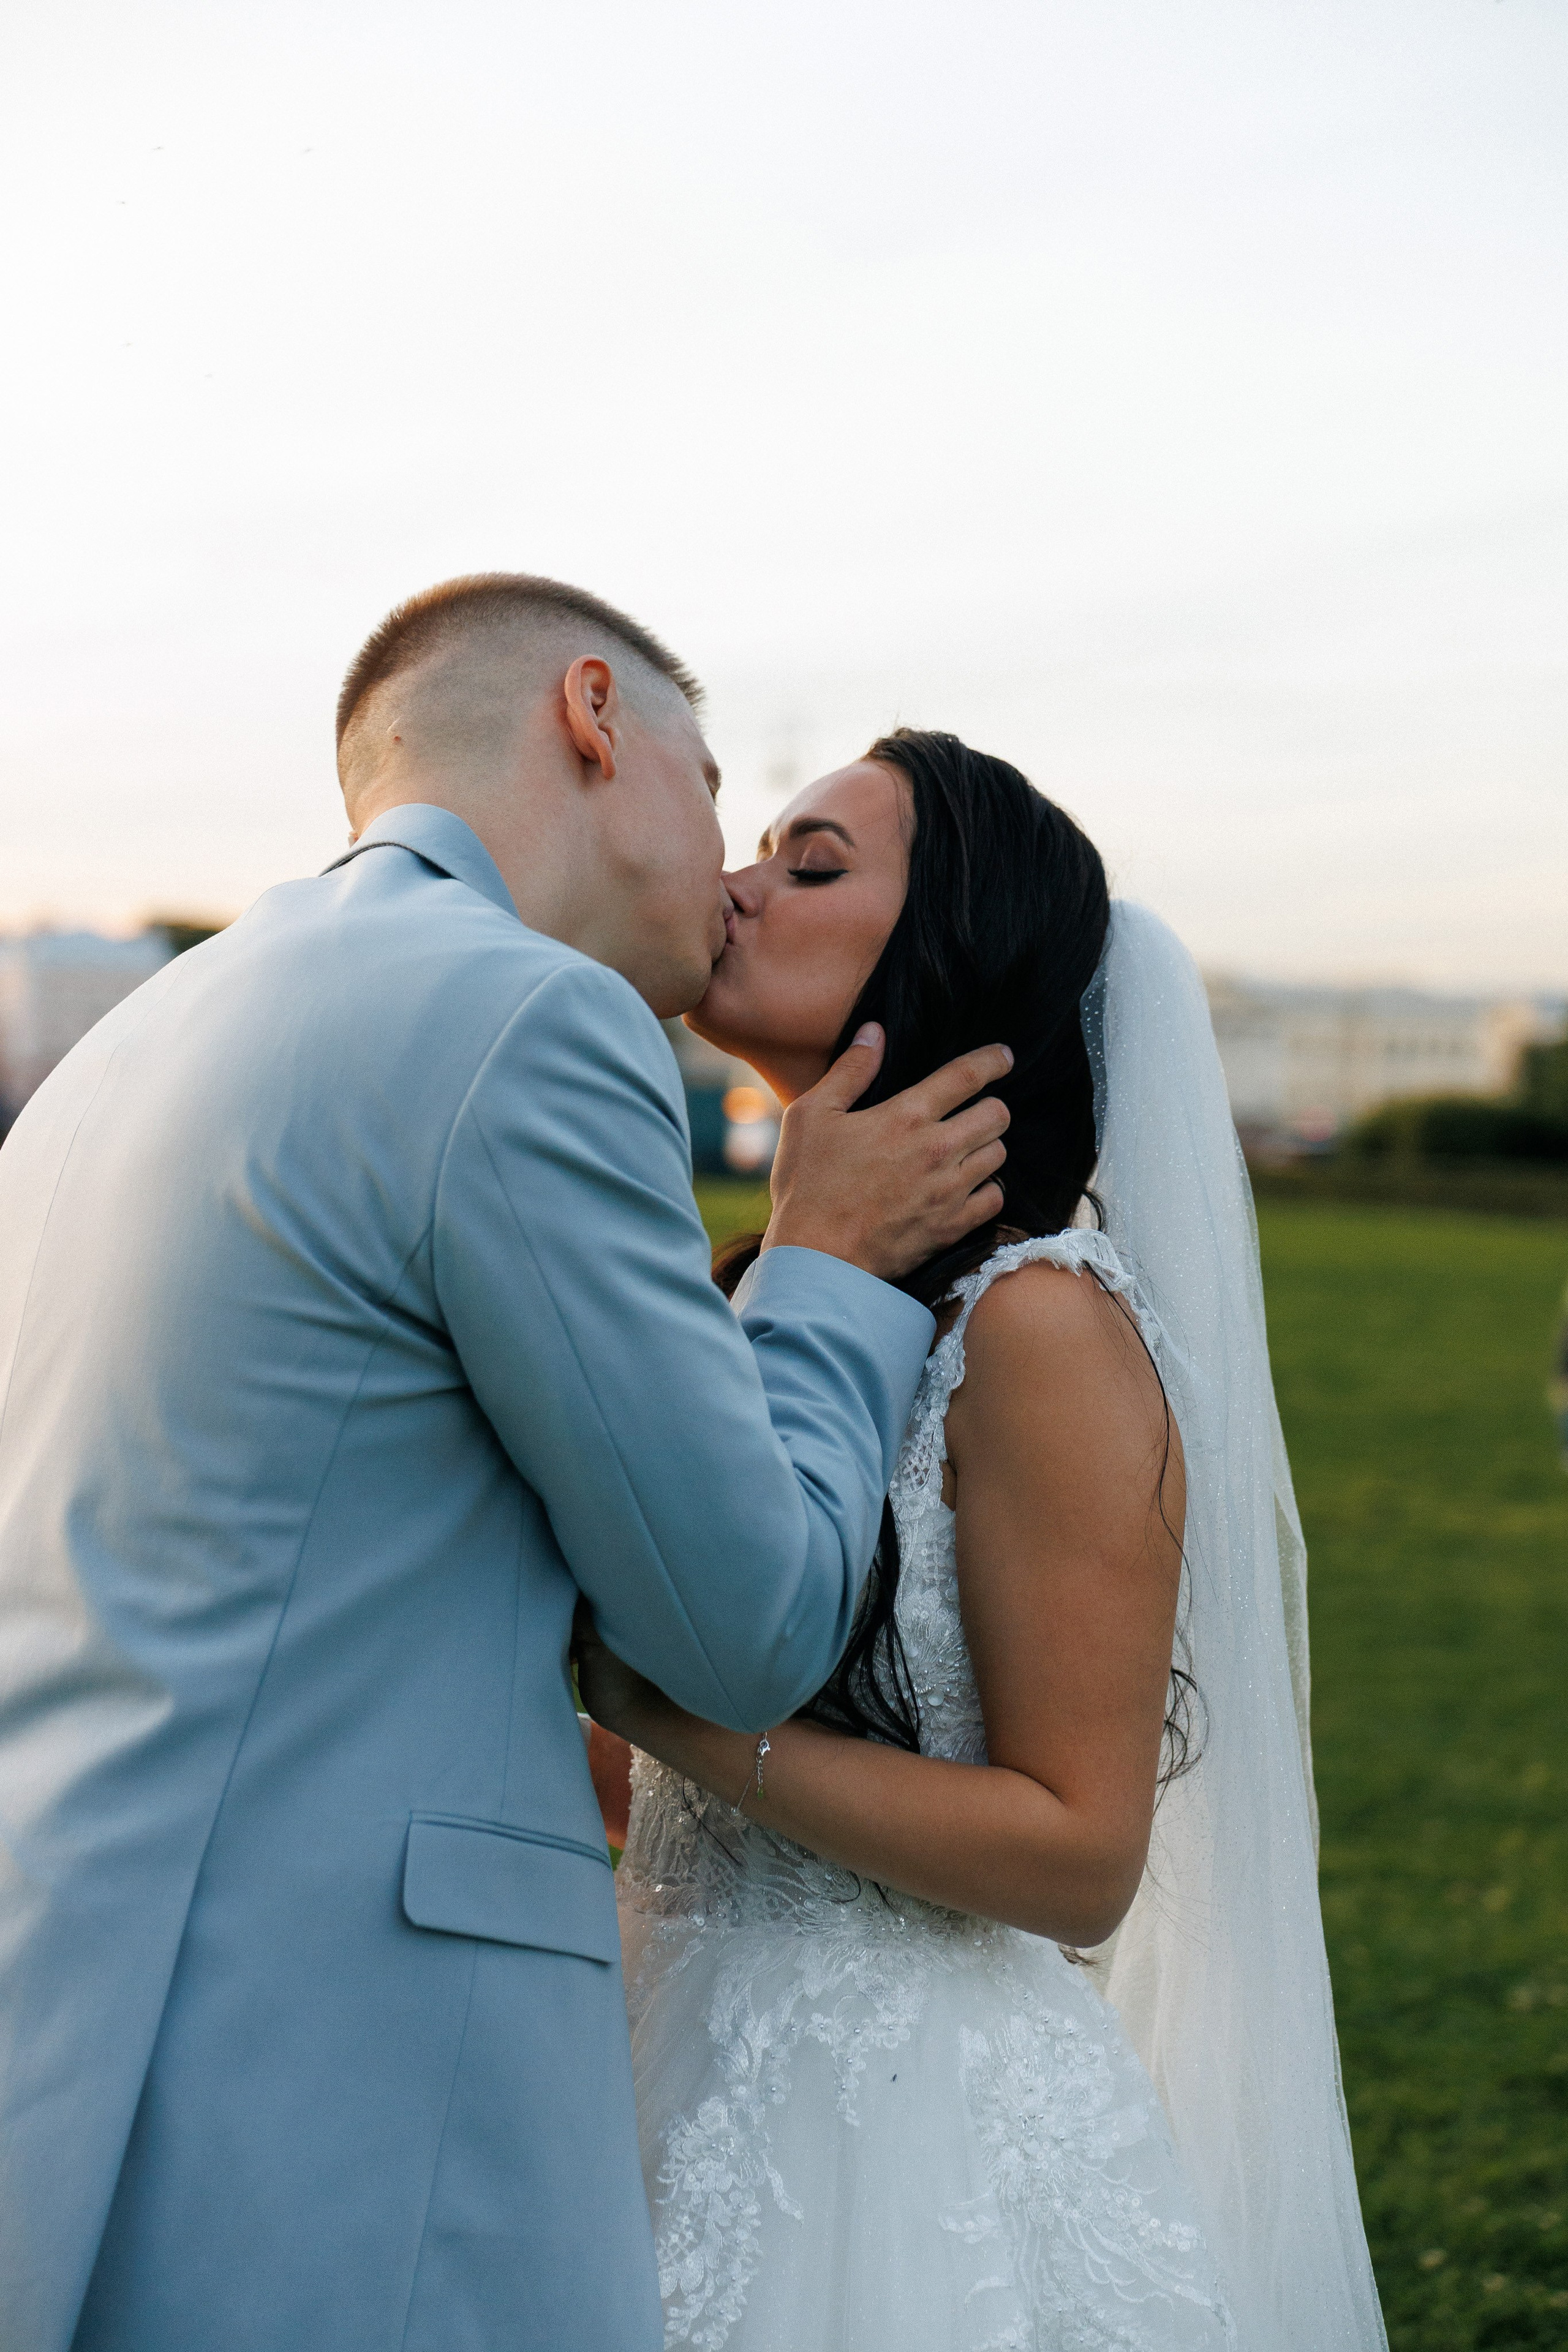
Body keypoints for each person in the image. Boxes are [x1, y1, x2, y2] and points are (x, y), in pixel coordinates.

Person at [0, 578, 1014, 2352]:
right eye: (714, 793)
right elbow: (749, 1624)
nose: (728, 876)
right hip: (338, 2070)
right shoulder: (524, 1022)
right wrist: (826, 1275)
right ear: (595, 717)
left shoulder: (148, 1030)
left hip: (80, 1988)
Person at [579, 731, 1388, 2352]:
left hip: (902, 2142)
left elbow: (1079, 1857)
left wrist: (670, 1710)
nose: (735, 886)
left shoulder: (1036, 1329)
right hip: (648, 2055)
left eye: (814, 866)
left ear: (954, 948)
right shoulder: (747, 1290)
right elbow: (634, 1779)